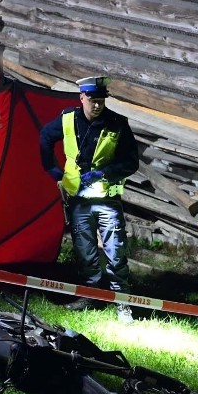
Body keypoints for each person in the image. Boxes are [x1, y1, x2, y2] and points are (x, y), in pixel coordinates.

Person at [39, 76, 139, 311]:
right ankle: (90, 297)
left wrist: (103, 173)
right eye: (93, 100)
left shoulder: (117, 123)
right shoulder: (67, 119)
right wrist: (53, 170)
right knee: (85, 253)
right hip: (78, 200)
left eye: (101, 100)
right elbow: (45, 136)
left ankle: (122, 302)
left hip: (107, 200)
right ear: (81, 97)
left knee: (116, 251)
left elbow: (131, 162)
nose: (98, 105)